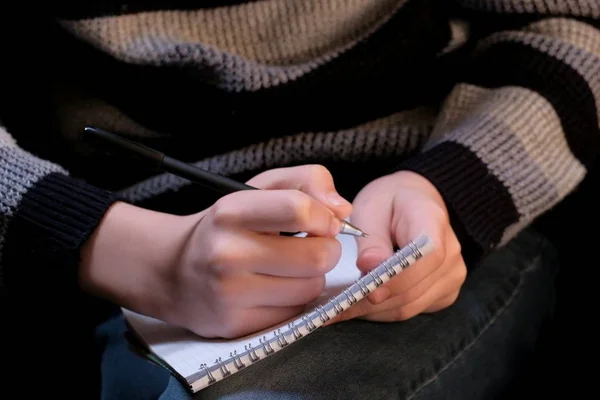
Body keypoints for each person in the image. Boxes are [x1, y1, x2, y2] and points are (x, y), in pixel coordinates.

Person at [0, 0, 596, 398]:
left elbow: (572, 28)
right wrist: (117, 246)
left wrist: (449, 186)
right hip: (113, 238)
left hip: (447, 209)